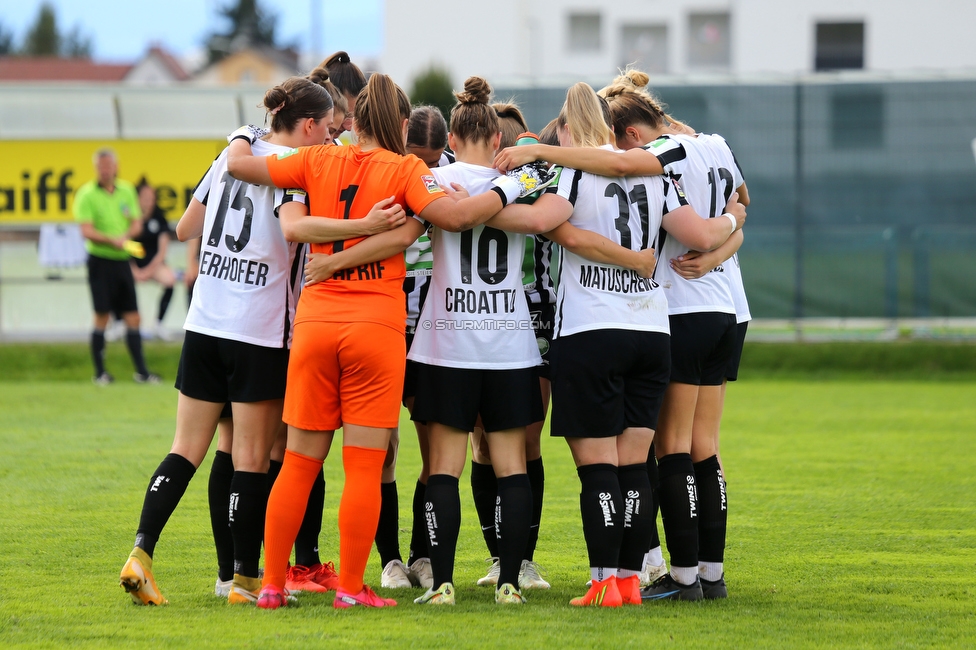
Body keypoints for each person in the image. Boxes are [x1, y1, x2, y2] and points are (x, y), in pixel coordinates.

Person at [224, 72, 546, 609]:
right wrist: (513, 183)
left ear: (350, 121)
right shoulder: (406, 170)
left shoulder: (314, 159)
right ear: (400, 123)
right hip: (375, 326)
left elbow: (241, 165)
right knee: (365, 466)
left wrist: (242, 131)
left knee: (299, 462)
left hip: (316, 322)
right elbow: (459, 216)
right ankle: (351, 588)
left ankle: (272, 585)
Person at [487, 82, 745, 607]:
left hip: (591, 329)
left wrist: (465, 210)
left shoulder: (568, 172)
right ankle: (630, 580)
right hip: (652, 330)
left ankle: (605, 580)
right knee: (636, 464)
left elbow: (548, 224)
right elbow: (695, 230)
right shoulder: (659, 173)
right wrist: (734, 225)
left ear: (563, 131)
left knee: (599, 468)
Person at [117, 73, 349, 606]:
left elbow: (184, 228)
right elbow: (295, 230)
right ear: (308, 124)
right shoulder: (290, 169)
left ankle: (142, 551)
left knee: (186, 451)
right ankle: (243, 581)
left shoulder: (230, 154)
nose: (329, 140)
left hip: (203, 324)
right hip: (257, 331)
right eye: (327, 130)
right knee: (250, 458)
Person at [469, 101, 551, 590]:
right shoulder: (476, 182)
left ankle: (524, 559)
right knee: (482, 442)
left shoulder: (541, 179)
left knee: (526, 439)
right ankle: (499, 557)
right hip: (480, 319)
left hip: (535, 317)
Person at [373, 105, 450, 591]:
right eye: (414, 158)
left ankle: (423, 555)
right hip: (384, 322)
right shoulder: (386, 172)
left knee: (433, 447)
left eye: (431, 159)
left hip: (434, 328)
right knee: (382, 447)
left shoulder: (450, 179)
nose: (422, 167)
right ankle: (390, 559)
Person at [74, 148, 159, 385]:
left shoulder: (126, 190)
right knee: (102, 315)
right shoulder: (87, 194)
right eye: (101, 166)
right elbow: (86, 230)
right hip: (100, 261)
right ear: (96, 168)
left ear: (116, 166)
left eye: (109, 165)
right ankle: (100, 373)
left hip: (123, 260)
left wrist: (124, 236)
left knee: (133, 316)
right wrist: (111, 239)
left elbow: (136, 224)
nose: (106, 170)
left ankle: (142, 372)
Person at [131, 179, 177, 341]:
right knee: (117, 280)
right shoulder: (131, 217)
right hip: (132, 263)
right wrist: (135, 270)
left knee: (170, 280)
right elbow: (125, 245)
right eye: (144, 198)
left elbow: (162, 251)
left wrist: (148, 271)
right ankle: (119, 323)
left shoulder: (159, 218)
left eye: (151, 198)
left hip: (154, 263)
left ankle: (158, 324)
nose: (148, 202)